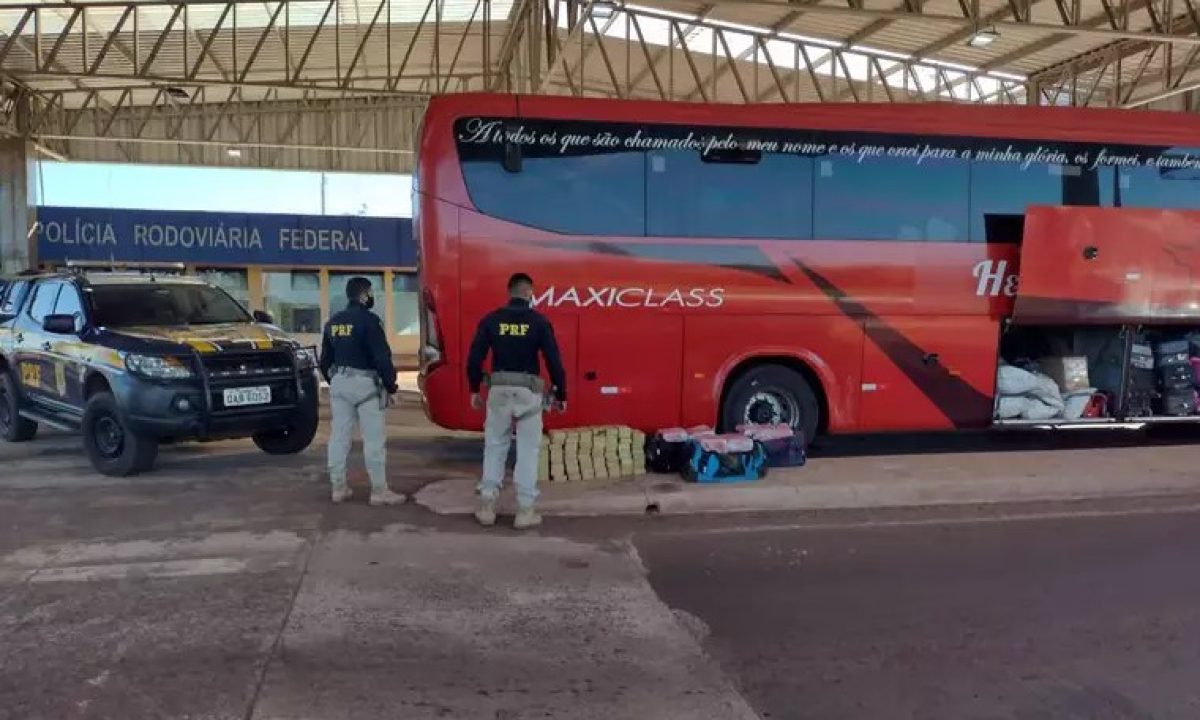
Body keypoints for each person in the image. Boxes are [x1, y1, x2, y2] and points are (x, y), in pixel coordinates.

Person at [467, 272, 566, 530]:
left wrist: (474, 389)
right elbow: (554, 361)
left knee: (495, 445)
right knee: (528, 451)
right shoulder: (539, 322)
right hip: (528, 393)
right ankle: (524, 511)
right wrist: (560, 393)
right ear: (529, 293)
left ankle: (487, 505)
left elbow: (474, 358)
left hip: (498, 390)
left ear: (509, 292)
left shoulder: (491, 320)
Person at [318, 276, 406, 506]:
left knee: (339, 438)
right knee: (374, 440)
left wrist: (334, 380)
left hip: (340, 384)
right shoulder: (370, 321)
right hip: (366, 385)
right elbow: (381, 357)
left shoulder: (333, 322)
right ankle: (379, 491)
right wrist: (391, 386)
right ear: (364, 295)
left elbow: (324, 360)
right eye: (371, 292)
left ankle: (338, 487)